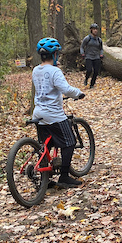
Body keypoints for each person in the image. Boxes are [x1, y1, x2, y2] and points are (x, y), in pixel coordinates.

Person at [32, 37, 85, 188]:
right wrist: (78, 93)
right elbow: (66, 89)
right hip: (53, 114)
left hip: (38, 113)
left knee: (45, 146)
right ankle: (64, 177)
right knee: (69, 142)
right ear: (55, 55)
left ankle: (45, 179)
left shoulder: (35, 70)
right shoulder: (55, 71)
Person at [80, 23, 104, 88]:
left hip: (96, 57)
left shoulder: (99, 40)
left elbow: (101, 48)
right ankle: (86, 79)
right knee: (89, 70)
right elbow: (82, 47)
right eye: (94, 29)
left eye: (96, 29)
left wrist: (101, 54)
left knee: (96, 71)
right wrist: (82, 53)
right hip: (88, 56)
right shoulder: (87, 38)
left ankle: (92, 84)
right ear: (91, 30)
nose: (95, 31)